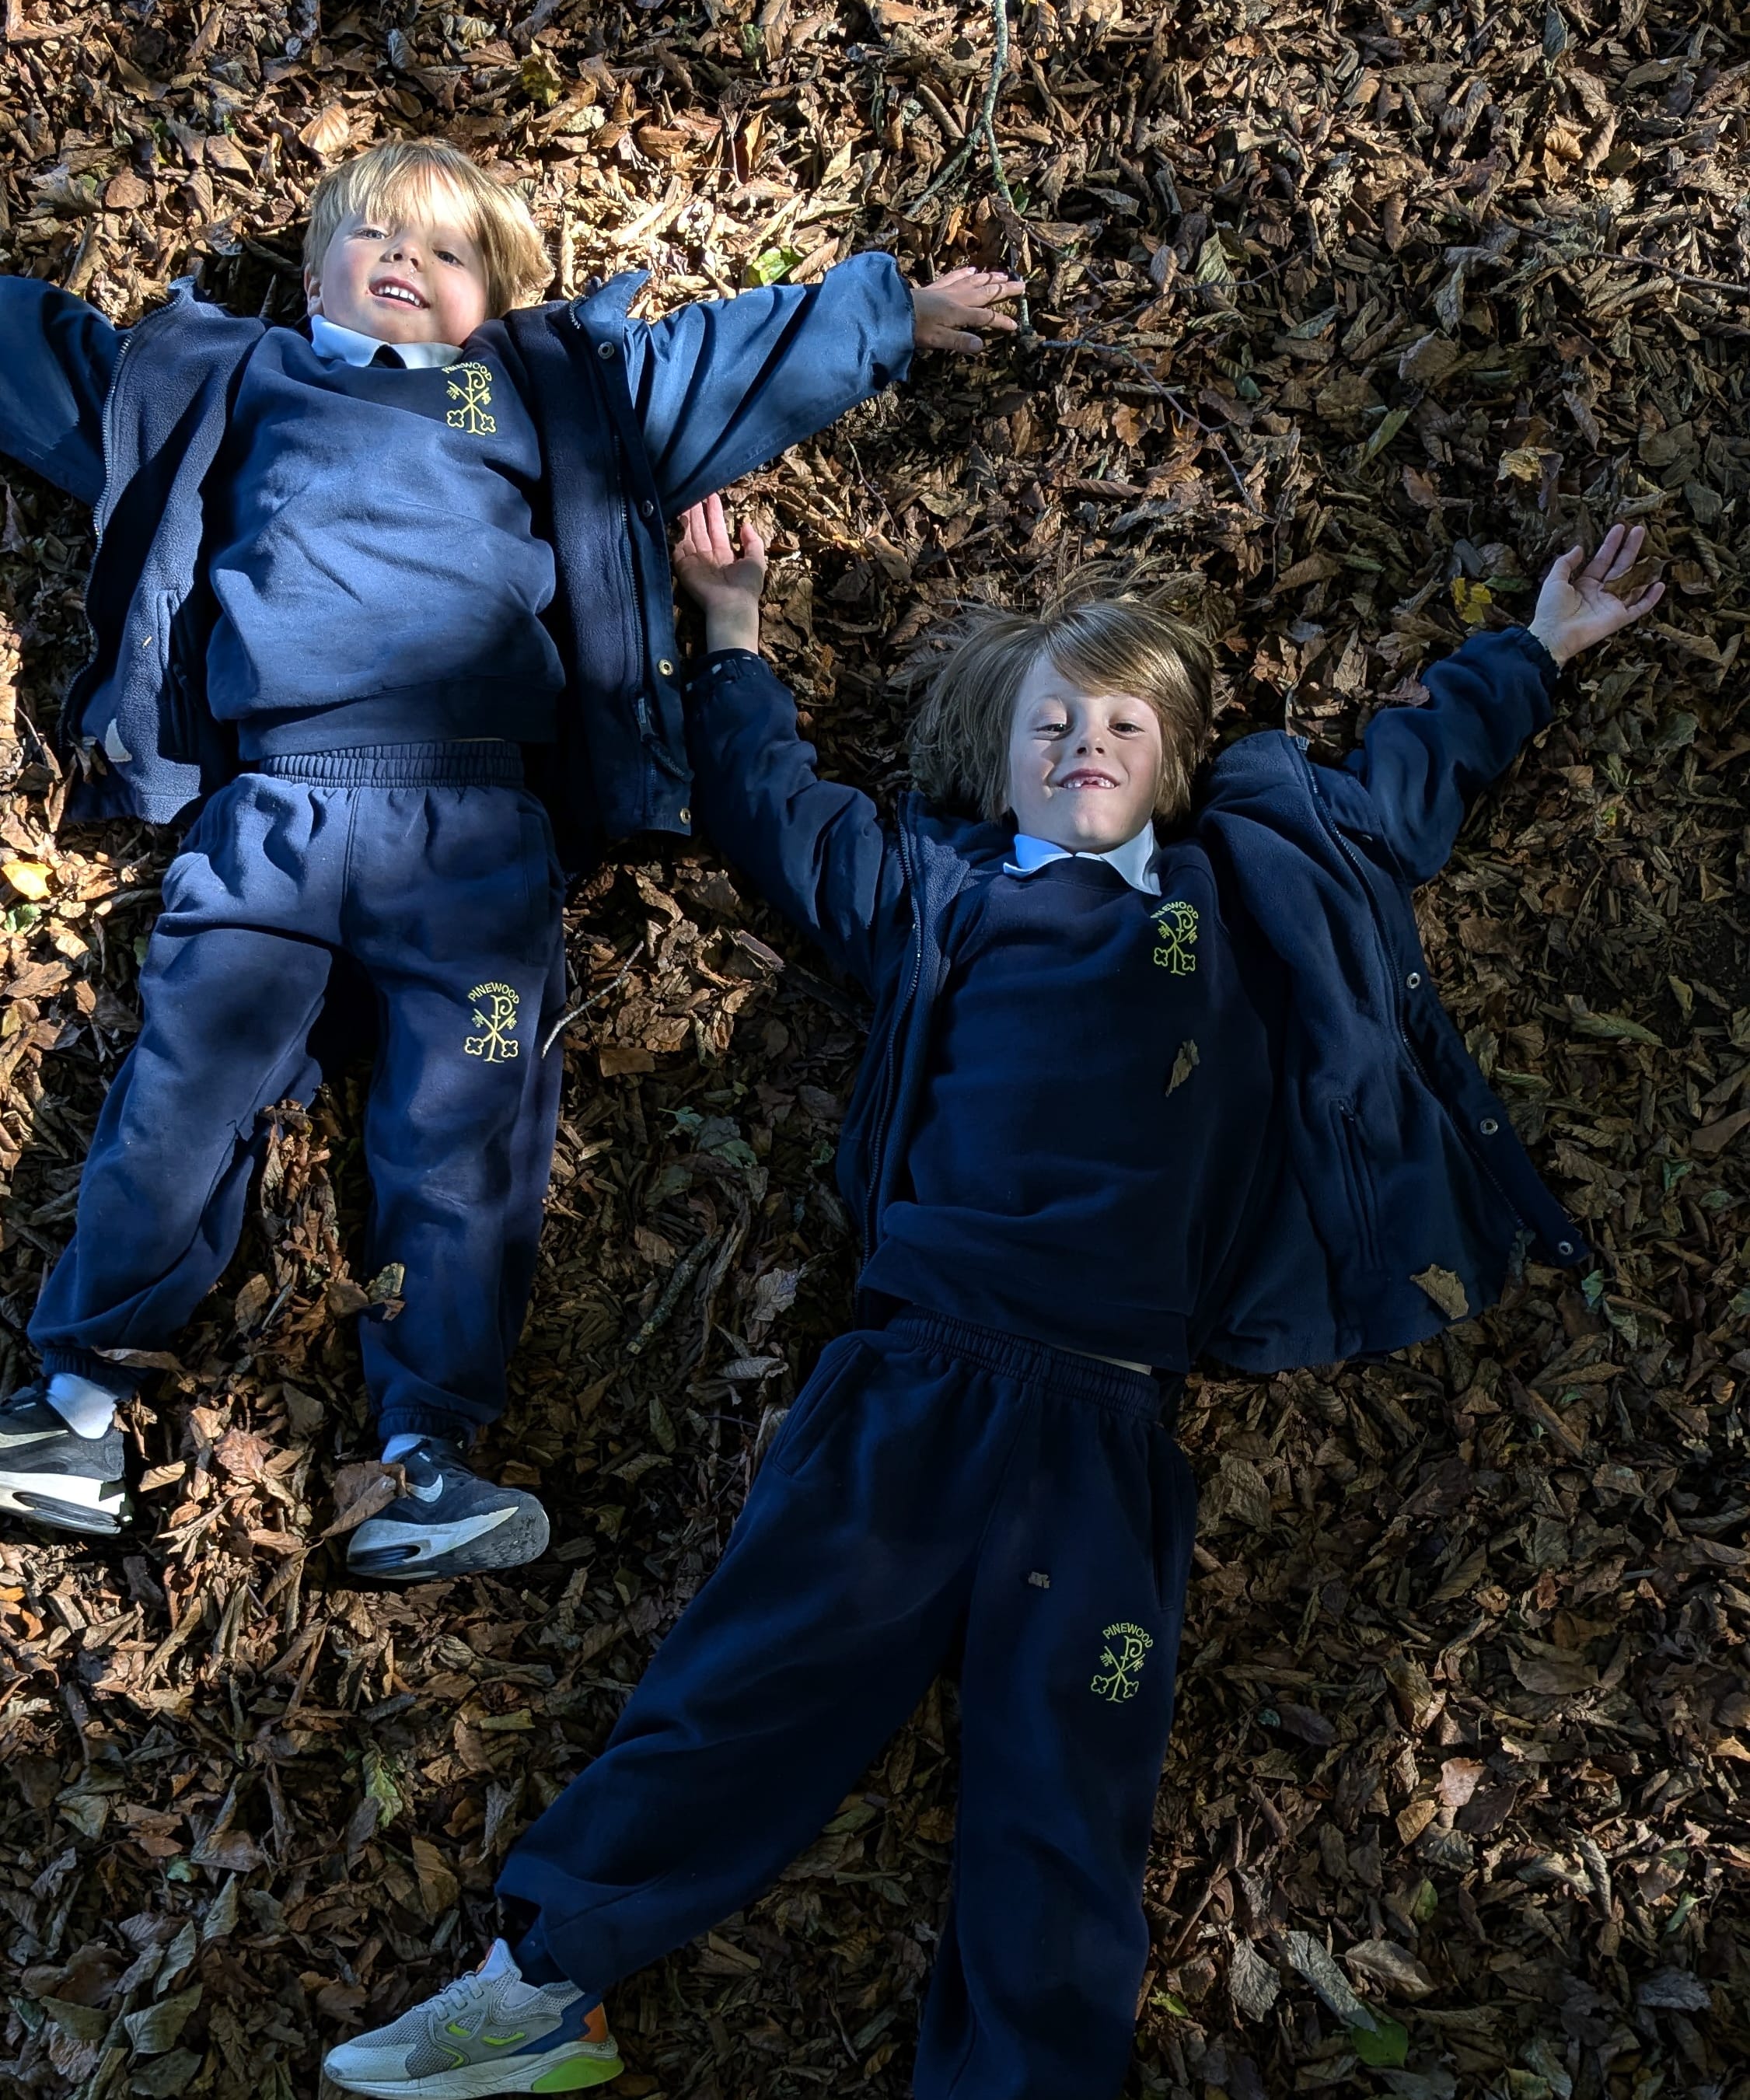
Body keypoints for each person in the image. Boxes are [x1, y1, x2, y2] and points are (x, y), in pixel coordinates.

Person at [324, 502, 1661, 2098]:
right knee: (751, 1681)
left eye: (1119, 721)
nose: (1083, 741)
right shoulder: (941, 893)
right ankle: (546, 1981)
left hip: (1110, 1424)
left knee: (1065, 1796)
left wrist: (1538, 645)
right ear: (1004, 759)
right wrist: (735, 637)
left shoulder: (1247, 896)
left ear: (1170, 763)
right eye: (1052, 721)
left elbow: (1398, 789)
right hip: (917, 1383)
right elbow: (779, 812)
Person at [0, 138, 1020, 1575]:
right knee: (182, 1090)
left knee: (464, 1132)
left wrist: (883, 316)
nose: (403, 261)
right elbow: (64, 374)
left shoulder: (537, 389)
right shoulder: (237, 379)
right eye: (371, 238)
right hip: (274, 815)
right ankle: (79, 1402)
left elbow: (694, 373)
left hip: (475, 837)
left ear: (502, 297)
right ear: (311, 277)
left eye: (447, 251)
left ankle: (426, 1453)